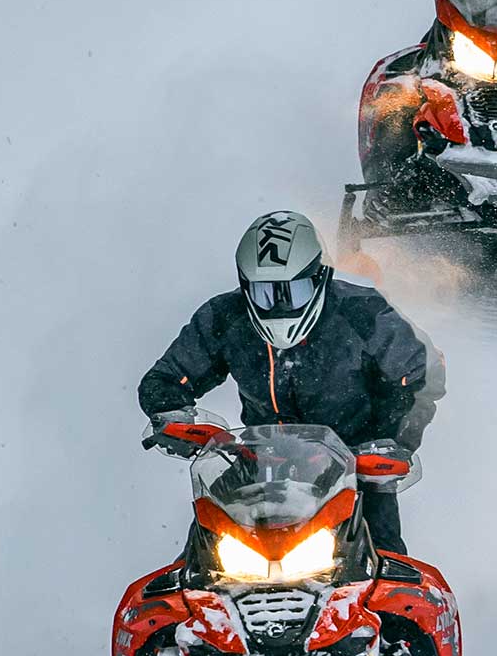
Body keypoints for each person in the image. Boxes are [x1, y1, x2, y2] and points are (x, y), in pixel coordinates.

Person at [138, 211, 440, 551]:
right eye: (266, 293)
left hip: (355, 469)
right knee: (200, 559)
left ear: (318, 276)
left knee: (386, 566)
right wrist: (172, 415)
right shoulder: (225, 317)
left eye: (294, 291)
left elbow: (422, 373)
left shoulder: (362, 312)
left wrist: (392, 439)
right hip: (258, 466)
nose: (280, 304)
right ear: (245, 286)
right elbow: (166, 377)